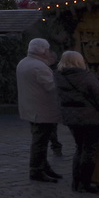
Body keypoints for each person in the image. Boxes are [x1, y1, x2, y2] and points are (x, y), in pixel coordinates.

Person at [56, 50, 99, 193]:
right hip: (90, 118)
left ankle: (76, 183)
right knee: (89, 150)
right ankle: (84, 183)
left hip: (71, 118)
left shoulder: (59, 77)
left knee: (79, 148)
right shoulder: (86, 77)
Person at [16, 38, 63, 183]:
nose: (48, 52)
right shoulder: (39, 67)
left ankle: (43, 167)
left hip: (31, 108)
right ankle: (36, 170)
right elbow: (51, 87)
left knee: (40, 140)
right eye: (47, 49)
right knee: (40, 142)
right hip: (42, 110)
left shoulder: (24, 63)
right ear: (43, 51)